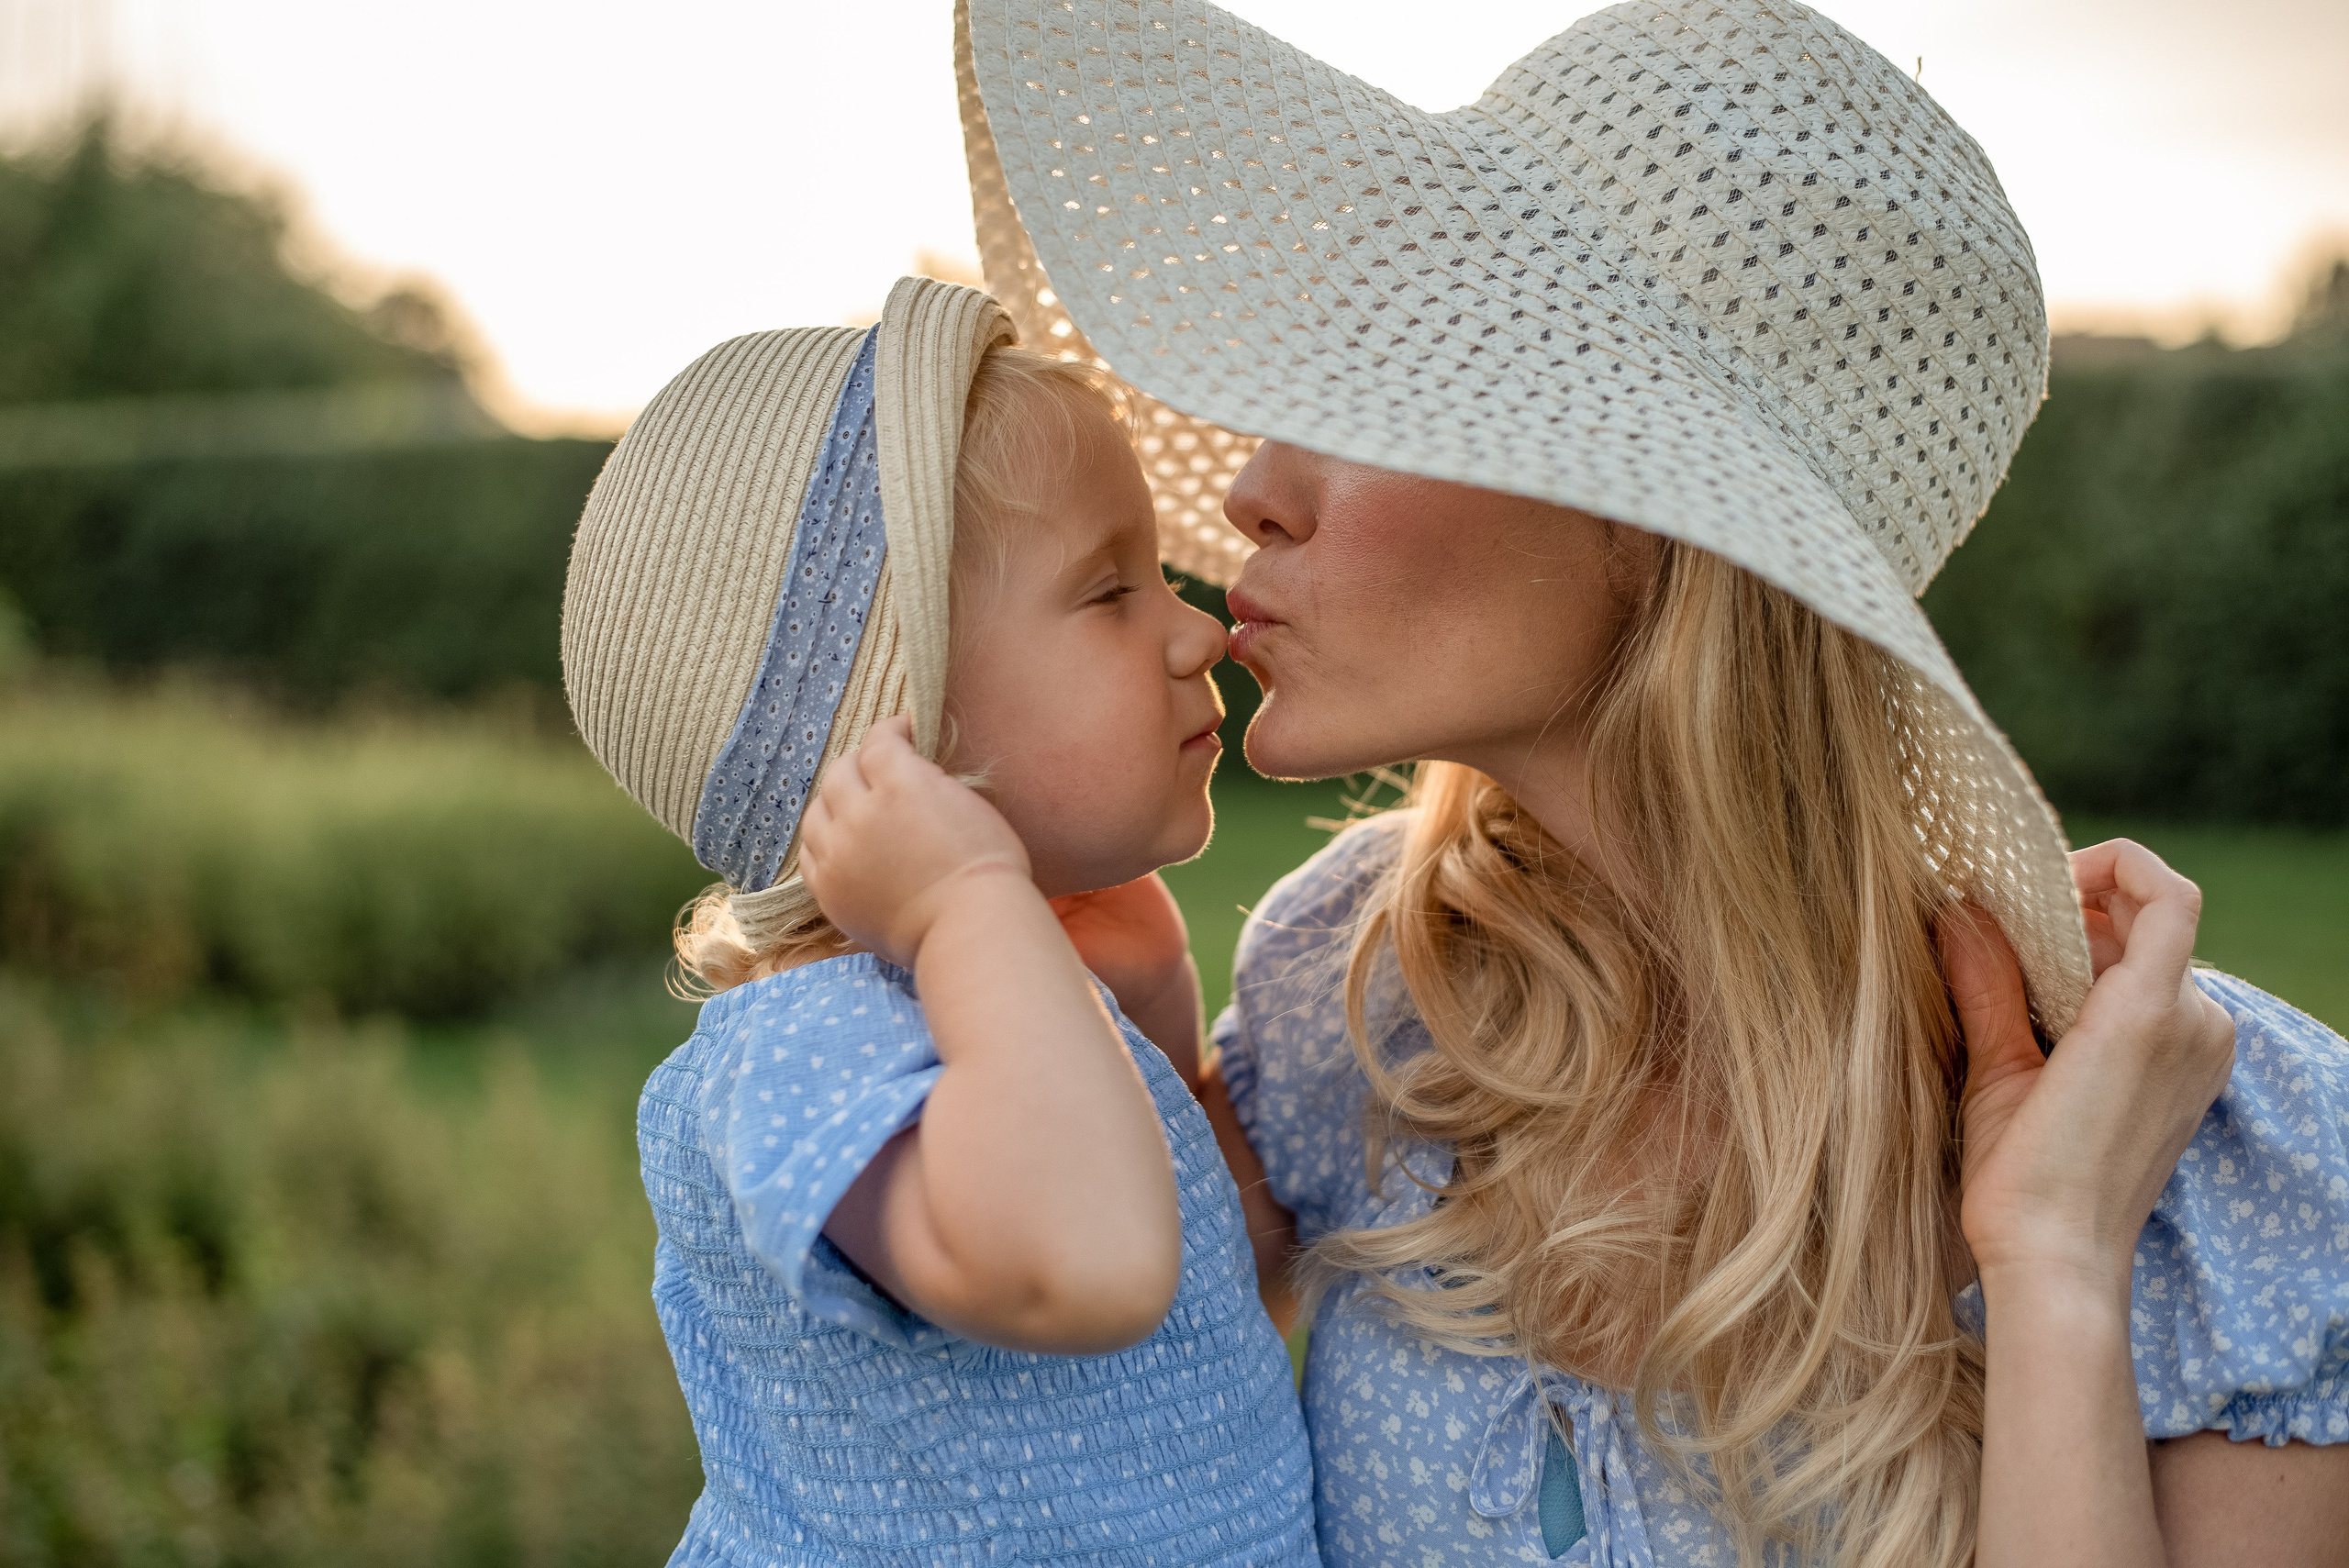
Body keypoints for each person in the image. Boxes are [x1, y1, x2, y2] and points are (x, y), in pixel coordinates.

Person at [955, 0, 2349, 1562]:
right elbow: (1072, 1464)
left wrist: (2056, 1261)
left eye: (1376, 389)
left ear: (1653, 518)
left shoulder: (2215, 1172)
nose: (1257, 490)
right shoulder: (1351, 990)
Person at [558, 277, 1318, 1565]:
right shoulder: (809, 1045)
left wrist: (1145, 1022)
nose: (1196, 631)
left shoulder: (989, 1014)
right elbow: (1087, 1264)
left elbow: (1198, 1295)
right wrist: (973, 903)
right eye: (1109, 591)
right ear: (898, 725)